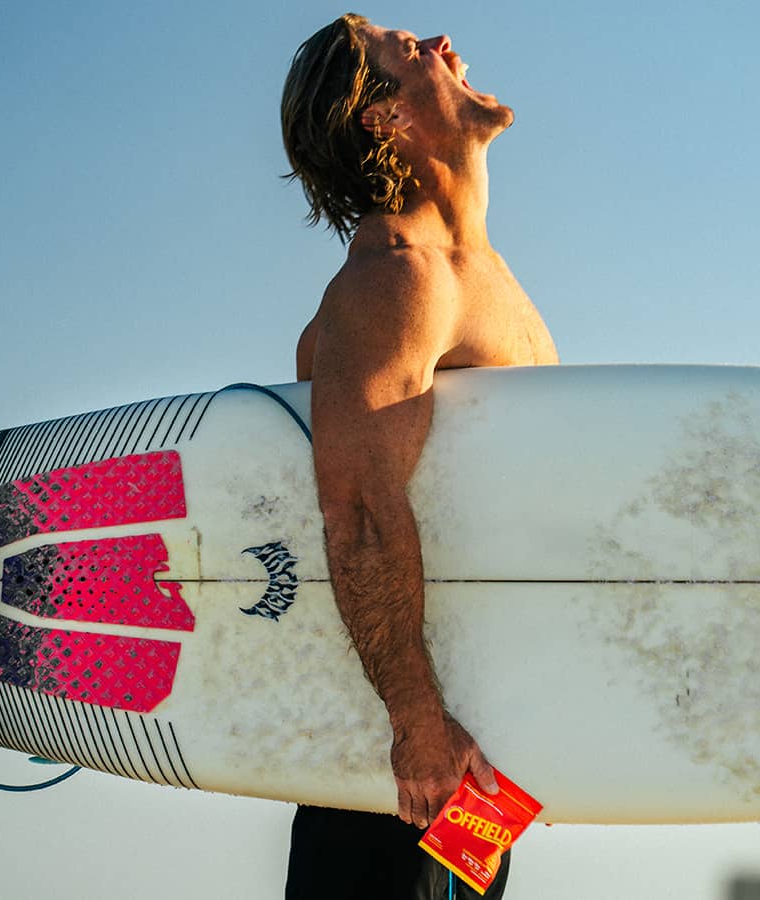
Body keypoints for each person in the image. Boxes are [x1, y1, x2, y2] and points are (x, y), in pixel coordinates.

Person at [281, 14, 558, 899]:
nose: (441, 44)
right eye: (408, 51)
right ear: (385, 117)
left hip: (472, 744)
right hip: (402, 763)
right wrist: (416, 725)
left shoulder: (476, 269)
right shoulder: (398, 277)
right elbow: (357, 511)